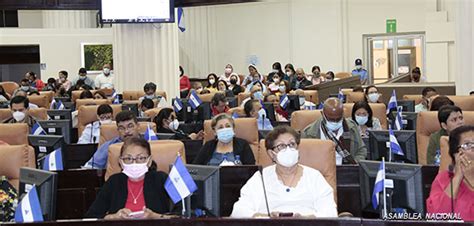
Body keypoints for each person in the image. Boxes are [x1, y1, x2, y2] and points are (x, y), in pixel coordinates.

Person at [231, 126, 338, 218]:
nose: (288, 149)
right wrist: (265, 218)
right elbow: (238, 211)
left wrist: (307, 218)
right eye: (281, 146)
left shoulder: (314, 176)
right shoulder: (261, 177)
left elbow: (331, 212)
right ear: (271, 154)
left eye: (292, 144)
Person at [85, 137, 173, 219]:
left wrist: (155, 217)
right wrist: (114, 217)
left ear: (149, 161)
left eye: (141, 158)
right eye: (128, 158)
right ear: (121, 162)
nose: (134, 163)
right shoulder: (114, 182)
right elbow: (91, 217)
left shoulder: (162, 179)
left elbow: (181, 215)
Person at [426, 125, 474, 221]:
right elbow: (437, 218)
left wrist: (471, 179)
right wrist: (457, 177)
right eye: (468, 145)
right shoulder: (443, 179)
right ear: (457, 154)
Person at [301, 98, 367, 164]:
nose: (335, 122)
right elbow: (304, 158)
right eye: (331, 119)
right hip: (321, 171)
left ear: (343, 114)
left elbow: (361, 149)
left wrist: (355, 164)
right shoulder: (309, 133)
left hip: (348, 168)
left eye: (338, 119)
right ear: (322, 114)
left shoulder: (352, 127)